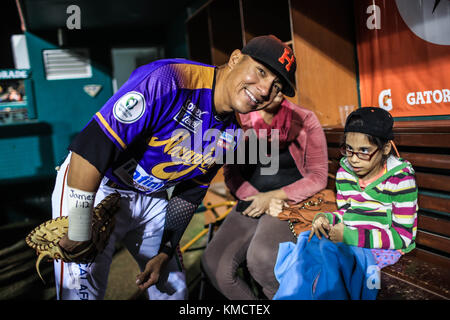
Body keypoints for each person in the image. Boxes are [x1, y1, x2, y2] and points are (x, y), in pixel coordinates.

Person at [50, 35, 297, 300]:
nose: (264, 90)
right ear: (235, 58)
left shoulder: (233, 132)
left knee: (172, 290)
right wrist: (79, 227)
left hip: (153, 195)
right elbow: (91, 148)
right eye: (260, 72)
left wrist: (166, 251)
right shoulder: (171, 78)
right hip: (98, 185)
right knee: (80, 294)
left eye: (275, 86)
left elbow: (191, 190)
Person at [273, 106, 418, 300]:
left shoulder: (401, 180)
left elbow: (403, 237)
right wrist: (326, 218)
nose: (354, 159)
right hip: (350, 238)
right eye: (349, 150)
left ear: (385, 148)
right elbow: (347, 212)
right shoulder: (345, 173)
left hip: (382, 247)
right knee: (307, 244)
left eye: (364, 151)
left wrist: (349, 236)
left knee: (328, 253)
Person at [201, 90, 328, 300]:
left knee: (263, 258)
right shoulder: (239, 121)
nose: (274, 87)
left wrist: (272, 198)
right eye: (269, 79)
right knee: (213, 263)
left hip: (290, 202)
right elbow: (231, 174)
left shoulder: (304, 119)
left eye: (281, 83)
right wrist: (256, 198)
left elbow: (318, 177)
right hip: (250, 199)